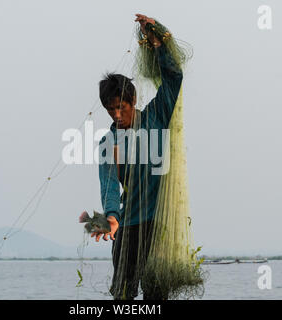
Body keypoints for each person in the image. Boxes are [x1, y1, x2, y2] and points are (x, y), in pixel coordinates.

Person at [91, 13, 184, 300]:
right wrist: (111, 216)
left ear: (133, 100)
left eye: (121, 107)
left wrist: (157, 40)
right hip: (127, 225)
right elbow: (108, 184)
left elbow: (173, 78)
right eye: (110, 110)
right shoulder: (108, 142)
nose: (117, 115)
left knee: (157, 294)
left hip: (158, 224)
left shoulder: (156, 117)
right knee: (122, 294)